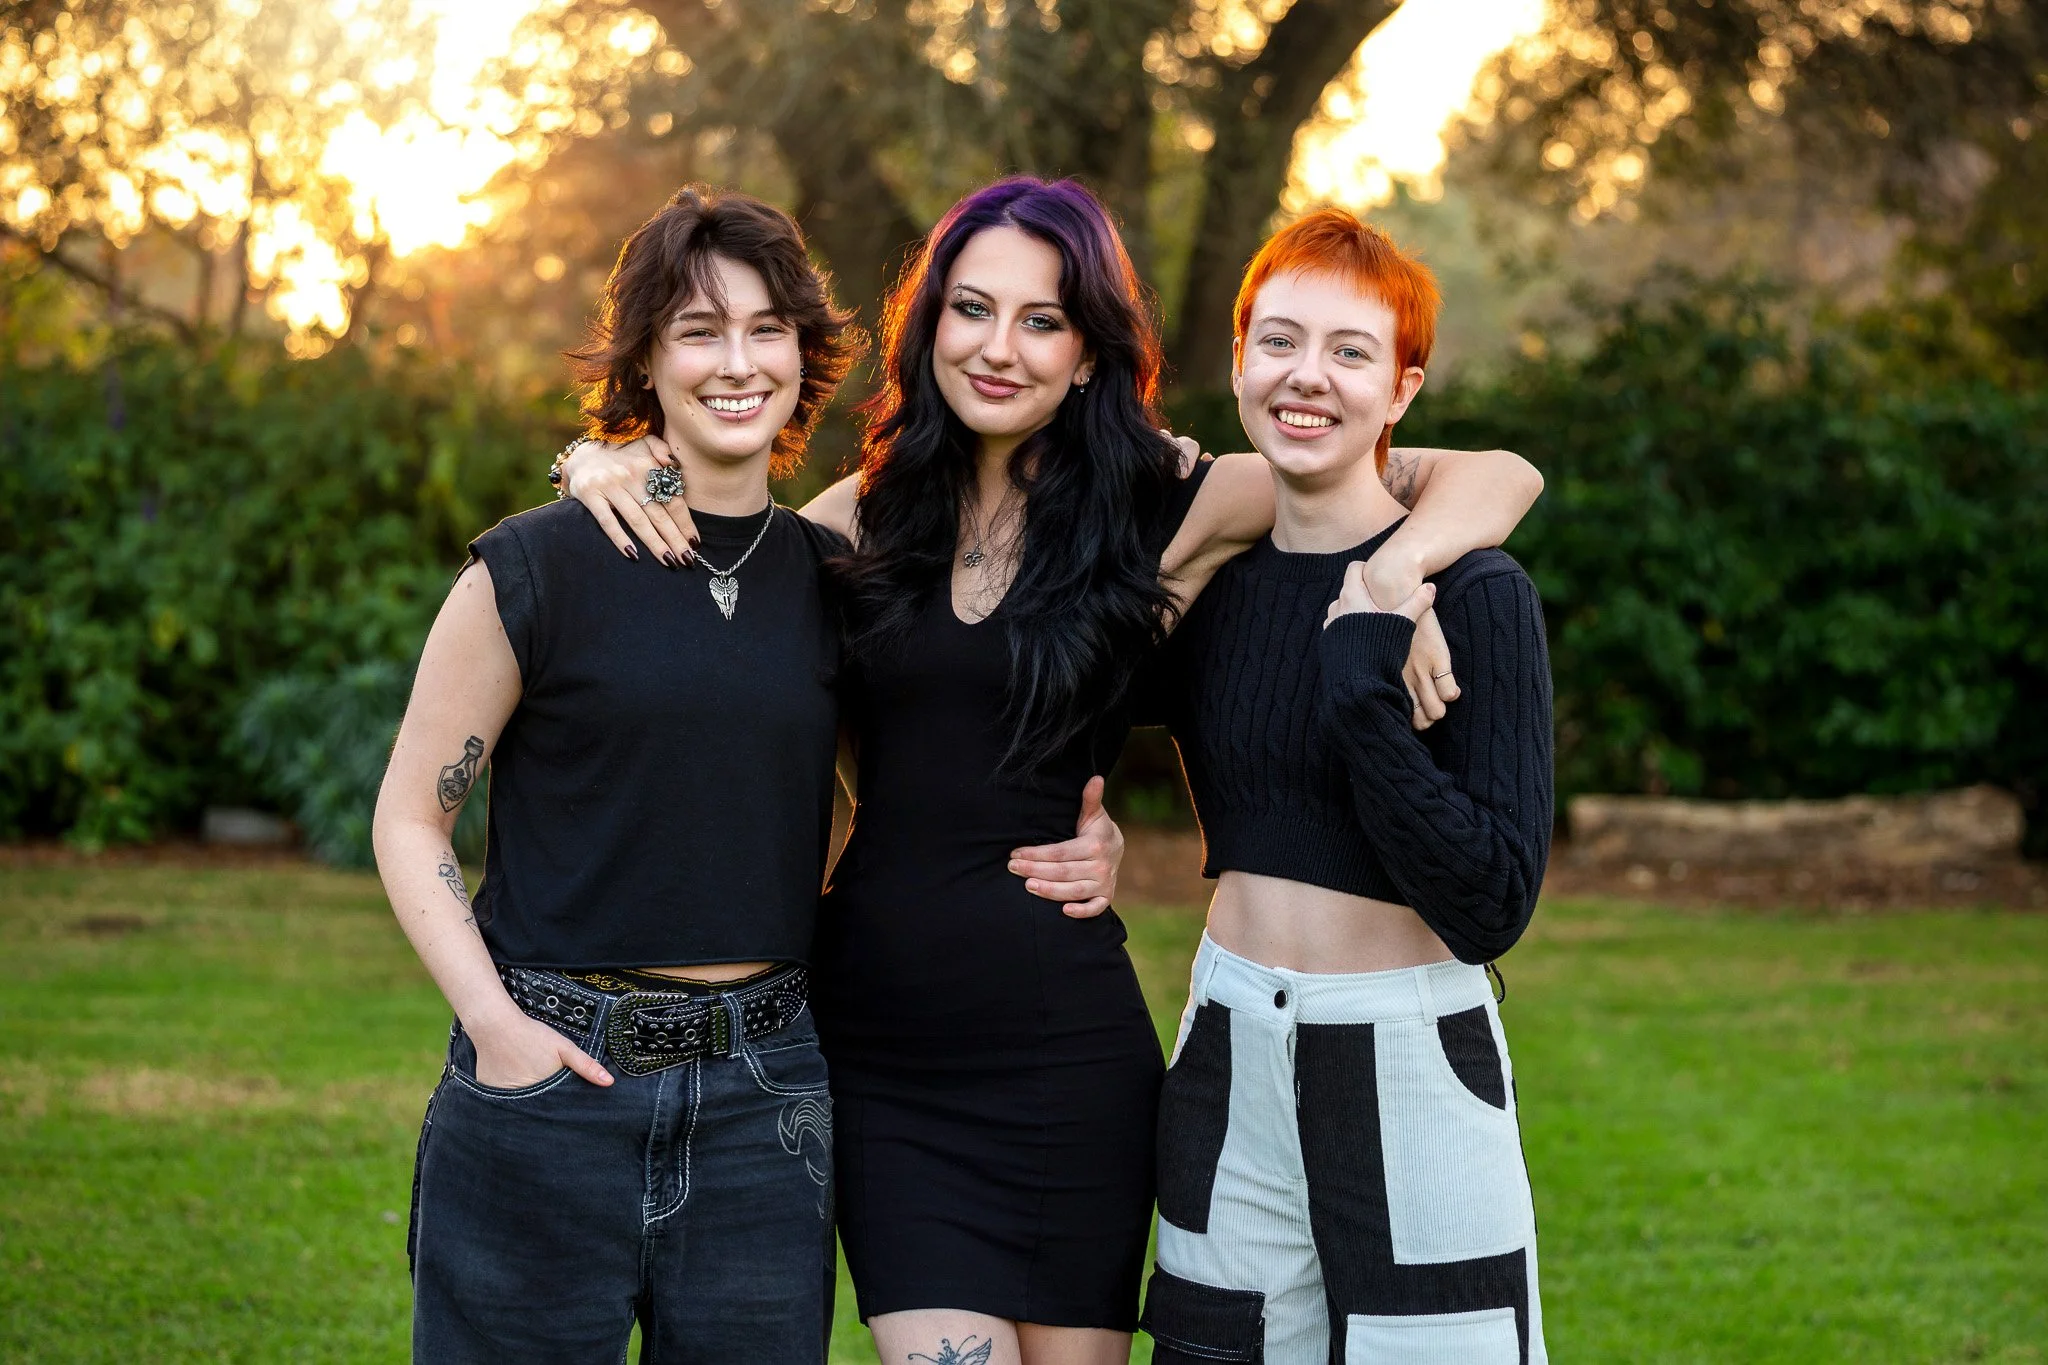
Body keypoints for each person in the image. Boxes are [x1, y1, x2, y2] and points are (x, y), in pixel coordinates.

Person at [554, 177, 1544, 1365]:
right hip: (887, 1048)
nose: (999, 347)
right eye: (971, 310)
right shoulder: (860, 520)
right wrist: (598, 463)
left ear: (1086, 354)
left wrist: (1401, 573)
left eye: (1042, 320)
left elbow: (1478, 471)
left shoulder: (1163, 502)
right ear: (930, 330)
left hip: (1067, 1054)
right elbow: (707, 538)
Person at [370, 184, 1120, 1365]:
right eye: (698, 330)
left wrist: (1090, 833)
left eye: (766, 329)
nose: (736, 361)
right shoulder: (537, 566)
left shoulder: (836, 575)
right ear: (645, 360)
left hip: (767, 1100)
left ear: (803, 356)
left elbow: (923, 783)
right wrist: (493, 1025)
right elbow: (413, 816)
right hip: (550, 1079)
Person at [1138, 209, 1553, 1365]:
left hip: (1411, 1061)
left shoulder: (1474, 594)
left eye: (1348, 351)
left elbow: (1487, 903)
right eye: (1277, 342)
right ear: (1237, 364)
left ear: (1401, 391)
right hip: (1225, 1048)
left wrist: (1364, 666)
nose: (1304, 376)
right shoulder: (1212, 577)